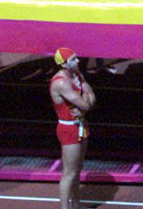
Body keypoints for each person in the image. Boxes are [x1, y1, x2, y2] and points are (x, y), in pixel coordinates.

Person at [50, 47, 95, 209]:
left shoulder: (77, 75)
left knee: (77, 170)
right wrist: (85, 98)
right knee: (69, 173)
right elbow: (86, 102)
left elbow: (91, 99)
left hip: (81, 125)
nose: (78, 61)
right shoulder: (61, 83)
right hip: (69, 130)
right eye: (74, 59)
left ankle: (76, 205)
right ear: (64, 64)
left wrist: (85, 102)